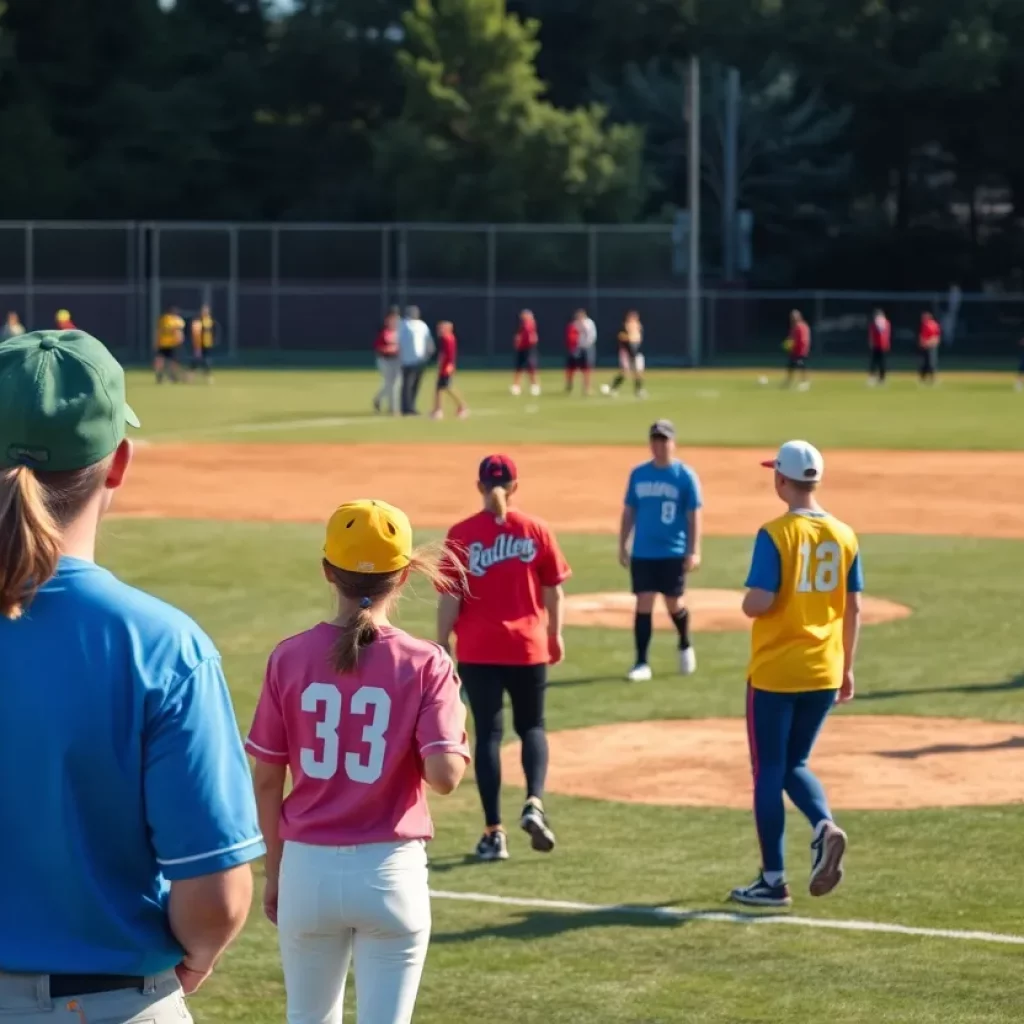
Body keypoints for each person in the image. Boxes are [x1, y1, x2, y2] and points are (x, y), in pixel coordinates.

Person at [0, 330, 264, 1023]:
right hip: (107, 1005)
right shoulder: (161, 645)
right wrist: (199, 953)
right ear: (118, 463)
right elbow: (215, 898)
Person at [246, 499, 469, 1024]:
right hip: (390, 872)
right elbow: (445, 777)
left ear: (328, 570)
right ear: (406, 573)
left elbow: (265, 782)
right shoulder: (426, 662)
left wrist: (277, 874)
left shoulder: (289, 656)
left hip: (307, 869)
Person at [729, 440, 860, 909]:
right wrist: (847, 666)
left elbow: (760, 599)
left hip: (777, 670)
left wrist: (746, 602)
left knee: (768, 770)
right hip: (823, 668)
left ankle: (773, 879)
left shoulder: (776, 533)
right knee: (795, 764)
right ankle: (825, 826)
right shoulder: (845, 534)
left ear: (781, 480)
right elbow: (853, 605)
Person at [438, 454, 571, 862]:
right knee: (532, 726)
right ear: (515, 486)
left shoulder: (461, 534)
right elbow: (554, 589)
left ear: (479, 486)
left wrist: (442, 642)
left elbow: (449, 597)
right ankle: (534, 801)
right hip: (527, 646)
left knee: (489, 736)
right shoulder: (535, 530)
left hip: (479, 649)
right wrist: (554, 634)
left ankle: (493, 832)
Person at [618, 420, 703, 683]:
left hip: (673, 551)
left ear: (673, 443)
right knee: (643, 602)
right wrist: (623, 543)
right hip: (644, 551)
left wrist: (693, 550)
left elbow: (693, 515)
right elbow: (629, 510)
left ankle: (685, 642)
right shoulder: (638, 474)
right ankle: (641, 661)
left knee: (673, 603)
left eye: (664, 440)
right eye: (655, 440)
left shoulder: (684, 476)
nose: (659, 445)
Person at [398, 305, 435, 416]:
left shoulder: (422, 325)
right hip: (407, 360)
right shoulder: (403, 324)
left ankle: (412, 406)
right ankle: (405, 407)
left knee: (416, 384)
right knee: (407, 385)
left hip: (420, 359)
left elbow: (428, 339)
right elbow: (399, 341)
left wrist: (429, 352)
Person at [601, 310, 646, 397]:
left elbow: (638, 339)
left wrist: (633, 337)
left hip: (636, 352)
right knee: (624, 372)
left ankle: (638, 390)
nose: (632, 319)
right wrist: (629, 337)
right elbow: (620, 336)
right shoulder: (624, 326)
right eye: (631, 317)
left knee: (638, 372)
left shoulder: (639, 327)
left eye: (634, 317)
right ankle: (612, 388)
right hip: (626, 352)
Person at [431, 320, 469, 420]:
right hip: (444, 366)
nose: (439, 330)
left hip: (447, 367)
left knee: (448, 387)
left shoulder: (448, 338)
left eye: (442, 328)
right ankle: (438, 409)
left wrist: (449, 365)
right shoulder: (444, 338)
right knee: (439, 388)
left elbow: (451, 354)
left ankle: (462, 406)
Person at [372, 310, 400, 415]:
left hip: (396, 360)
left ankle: (377, 399)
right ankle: (393, 409)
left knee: (395, 384)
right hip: (384, 360)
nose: (394, 322)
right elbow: (378, 348)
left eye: (395, 320)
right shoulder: (384, 333)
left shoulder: (400, 332)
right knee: (390, 384)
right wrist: (389, 349)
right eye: (391, 320)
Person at [510, 309, 541, 397]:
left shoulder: (531, 324)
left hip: (529, 348)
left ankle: (534, 386)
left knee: (531, 367)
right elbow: (519, 336)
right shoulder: (522, 325)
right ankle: (516, 386)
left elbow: (532, 336)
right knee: (519, 367)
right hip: (522, 348)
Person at [154, 305, 185, 384]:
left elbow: (159, 331)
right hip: (172, 344)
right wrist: (180, 342)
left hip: (162, 343)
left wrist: (156, 342)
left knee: (160, 360)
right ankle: (173, 376)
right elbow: (179, 333)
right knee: (173, 361)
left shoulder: (163, 319)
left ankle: (159, 376)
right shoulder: (177, 320)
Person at [783, 310, 811, 390]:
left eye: (795, 317)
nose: (793, 318)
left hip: (800, 351)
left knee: (801, 365)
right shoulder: (794, 327)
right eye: (792, 317)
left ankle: (805, 381)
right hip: (794, 351)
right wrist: (788, 345)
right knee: (790, 366)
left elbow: (803, 340)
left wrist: (800, 348)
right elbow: (791, 338)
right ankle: (788, 382)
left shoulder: (801, 326)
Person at [189, 304, 216, 383]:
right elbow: (195, 333)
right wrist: (196, 345)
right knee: (196, 360)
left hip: (207, 344)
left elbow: (211, 333)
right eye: (204, 310)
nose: (205, 312)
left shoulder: (209, 320)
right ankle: (190, 377)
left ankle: (208, 377)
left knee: (207, 361)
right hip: (199, 345)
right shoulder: (198, 321)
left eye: (207, 310)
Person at [573, 308, 598, 395]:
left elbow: (592, 335)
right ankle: (579, 387)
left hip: (588, 348)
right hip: (579, 348)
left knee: (588, 368)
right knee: (579, 368)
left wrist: (588, 344)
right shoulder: (575, 324)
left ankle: (588, 387)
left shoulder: (589, 323)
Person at [867, 308, 891, 386]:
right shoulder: (886, 323)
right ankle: (881, 379)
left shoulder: (876, 323)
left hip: (878, 345)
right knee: (880, 363)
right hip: (882, 345)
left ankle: (875, 379)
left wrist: (871, 343)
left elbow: (874, 334)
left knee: (876, 363)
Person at [918, 311, 941, 385]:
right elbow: (922, 335)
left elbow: (936, 336)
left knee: (932, 363)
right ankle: (922, 379)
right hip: (925, 347)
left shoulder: (933, 325)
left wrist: (929, 342)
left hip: (931, 347)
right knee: (924, 363)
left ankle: (933, 379)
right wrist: (922, 343)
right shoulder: (924, 325)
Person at [564, 315, 583, 393]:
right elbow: (570, 338)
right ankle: (569, 383)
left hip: (582, 349)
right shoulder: (572, 327)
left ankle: (586, 386)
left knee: (585, 368)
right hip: (573, 349)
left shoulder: (585, 326)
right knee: (571, 368)